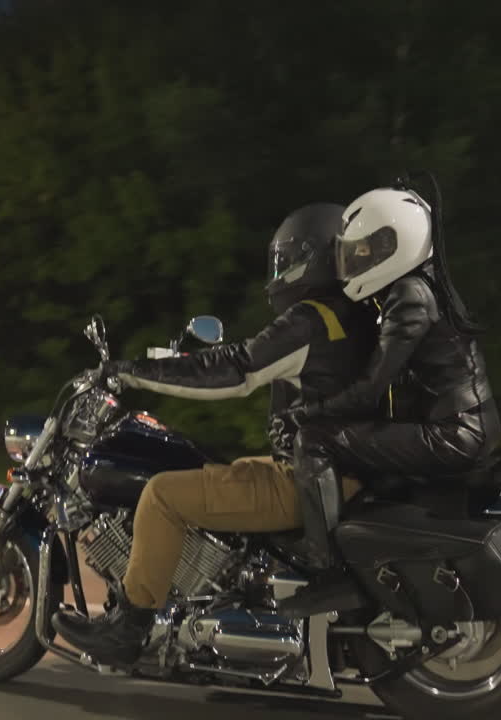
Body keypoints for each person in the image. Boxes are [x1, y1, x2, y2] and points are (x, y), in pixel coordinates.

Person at [51, 202, 375, 666]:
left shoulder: (310, 321)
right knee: (223, 471)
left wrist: (130, 372)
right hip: (334, 470)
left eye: (286, 261)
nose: (280, 273)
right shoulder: (349, 315)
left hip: (310, 477)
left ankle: (128, 629)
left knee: (162, 493)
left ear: (313, 259)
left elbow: (235, 370)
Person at [283, 185, 501, 574]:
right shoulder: (421, 285)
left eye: (365, 251)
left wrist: (306, 413)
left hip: (452, 435)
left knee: (314, 440)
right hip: (464, 425)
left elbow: (371, 388)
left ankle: (323, 558)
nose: (355, 261)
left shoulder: (410, 296)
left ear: (394, 247)